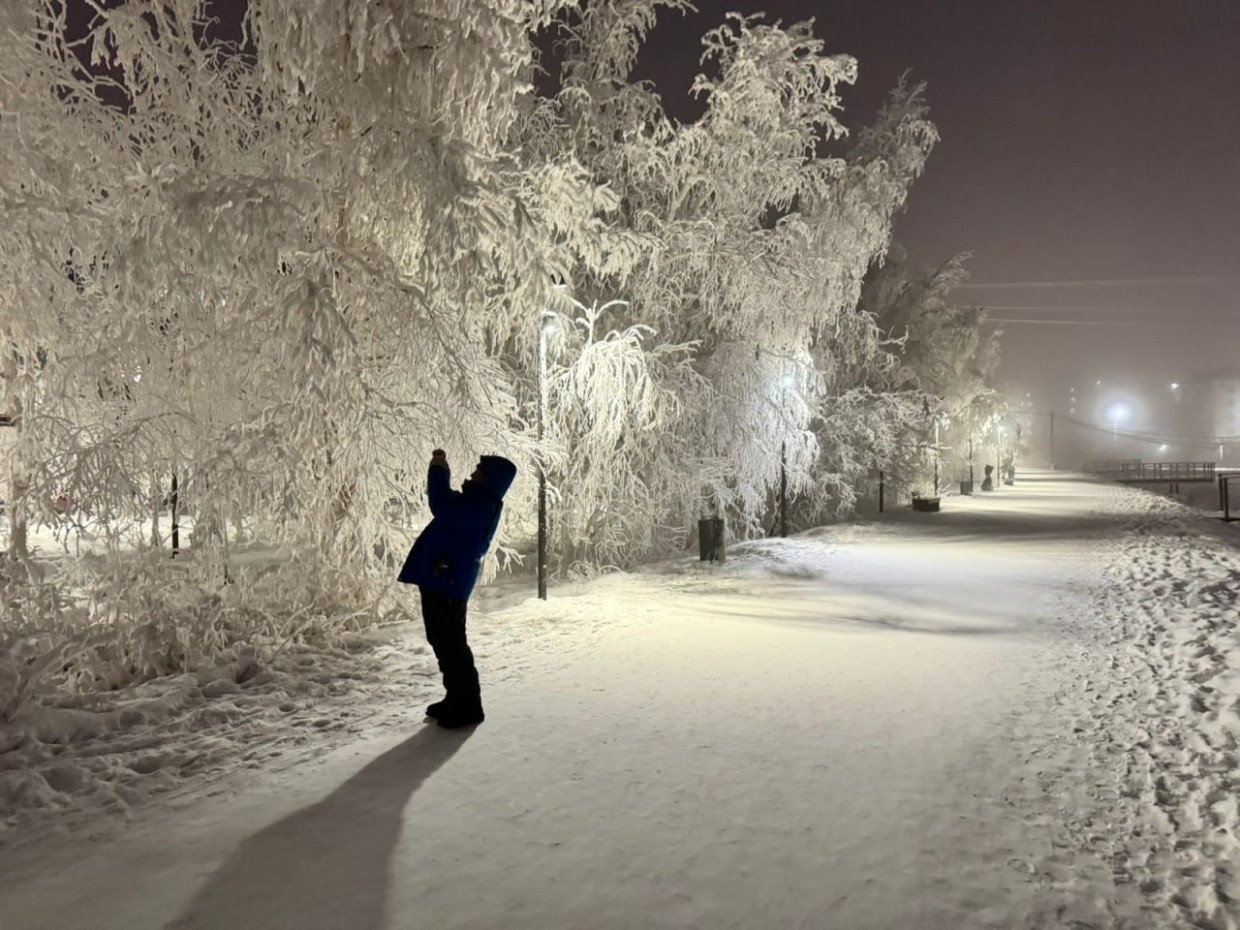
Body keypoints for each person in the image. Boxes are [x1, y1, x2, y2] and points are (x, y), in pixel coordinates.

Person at [397, 448, 517, 729]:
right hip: (443, 579)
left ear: (489, 480)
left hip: (447, 583)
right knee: (444, 641)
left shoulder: (479, 506)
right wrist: (440, 470)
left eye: (479, 472)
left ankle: (467, 706)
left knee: (450, 644)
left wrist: (439, 469)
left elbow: (442, 505)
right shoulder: (476, 502)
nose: (472, 474)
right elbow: (447, 504)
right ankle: (457, 698)